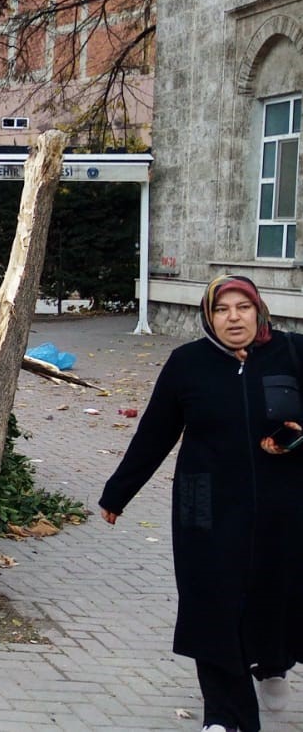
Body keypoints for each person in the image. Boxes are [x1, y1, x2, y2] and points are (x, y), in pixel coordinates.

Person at [101, 275, 303, 732]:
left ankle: (273, 663)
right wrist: (118, 493)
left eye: (243, 308)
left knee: (277, 595)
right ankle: (225, 717)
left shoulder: (293, 353)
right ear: (209, 317)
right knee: (211, 602)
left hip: (283, 507)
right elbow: (155, 433)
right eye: (222, 309)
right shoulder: (186, 364)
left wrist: (295, 438)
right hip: (204, 507)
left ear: (259, 310)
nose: (234, 318)